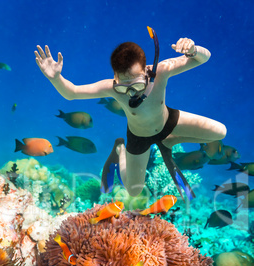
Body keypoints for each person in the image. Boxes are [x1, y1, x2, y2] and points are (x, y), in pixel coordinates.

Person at [34, 27, 226, 200]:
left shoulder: (161, 71)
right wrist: (56, 78)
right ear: (115, 77)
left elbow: (203, 58)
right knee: (134, 190)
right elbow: (71, 93)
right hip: (138, 136)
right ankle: (120, 150)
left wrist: (193, 50)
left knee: (220, 132)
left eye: (137, 84)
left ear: (146, 71)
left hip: (169, 122)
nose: (132, 92)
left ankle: (169, 140)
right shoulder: (110, 87)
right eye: (124, 87)